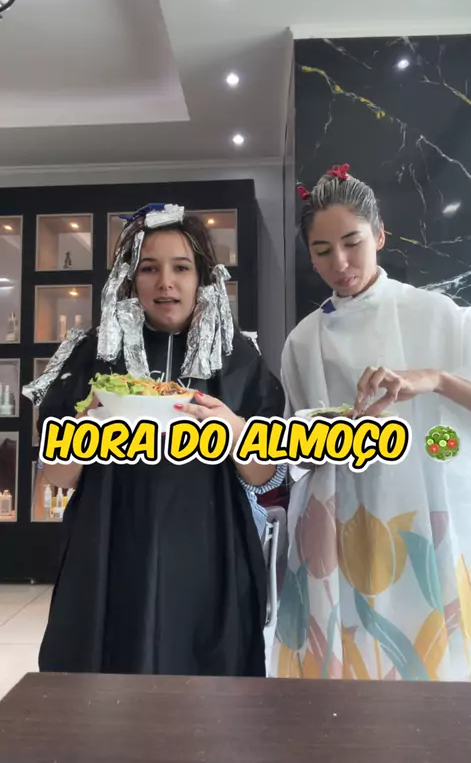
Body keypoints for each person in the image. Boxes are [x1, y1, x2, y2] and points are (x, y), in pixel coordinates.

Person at [24, 203, 285, 677]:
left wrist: (235, 430)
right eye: (149, 268)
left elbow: (263, 476)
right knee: (106, 686)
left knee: (207, 691)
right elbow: (57, 477)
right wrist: (85, 426)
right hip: (108, 546)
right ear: (130, 279)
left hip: (211, 551)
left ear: (203, 278)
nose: (166, 282)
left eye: (181, 268)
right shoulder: (93, 354)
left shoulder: (237, 357)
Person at [270, 164, 471, 682]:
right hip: (335, 529)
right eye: (323, 250)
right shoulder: (303, 340)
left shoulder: (438, 315)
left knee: (428, 669)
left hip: (424, 519)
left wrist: (436, 379)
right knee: (341, 685)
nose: (340, 263)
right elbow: (296, 455)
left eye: (352, 243)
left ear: (380, 235)